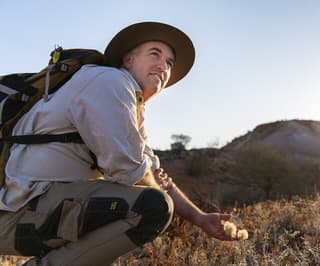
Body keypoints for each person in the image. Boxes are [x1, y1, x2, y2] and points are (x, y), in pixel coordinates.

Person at [0, 22, 237, 265]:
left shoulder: (132, 107)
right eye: (154, 53)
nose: (163, 66)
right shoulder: (110, 81)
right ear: (128, 60)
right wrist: (151, 180)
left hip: (38, 211)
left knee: (131, 209)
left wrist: (199, 218)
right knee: (152, 207)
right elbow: (130, 172)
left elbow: (152, 172)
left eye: (169, 62)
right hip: (17, 215)